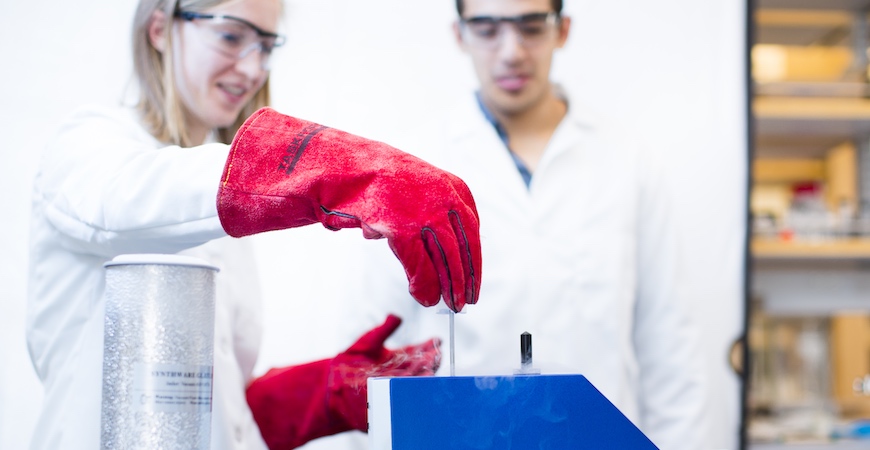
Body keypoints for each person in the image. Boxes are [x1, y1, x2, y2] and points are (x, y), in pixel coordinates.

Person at [25, 0, 481, 449]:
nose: (251, 68)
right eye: (231, 36)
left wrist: (320, 393)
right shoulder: (90, 144)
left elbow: (217, 409)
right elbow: (119, 202)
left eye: (265, 46)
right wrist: (340, 169)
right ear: (160, 29)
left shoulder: (219, 209)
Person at [346, 0, 707, 448]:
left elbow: (669, 345)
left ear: (563, 30)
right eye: (487, 28)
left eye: (532, 26)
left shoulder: (627, 161)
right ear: (460, 35)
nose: (512, 51)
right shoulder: (412, 165)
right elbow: (375, 351)